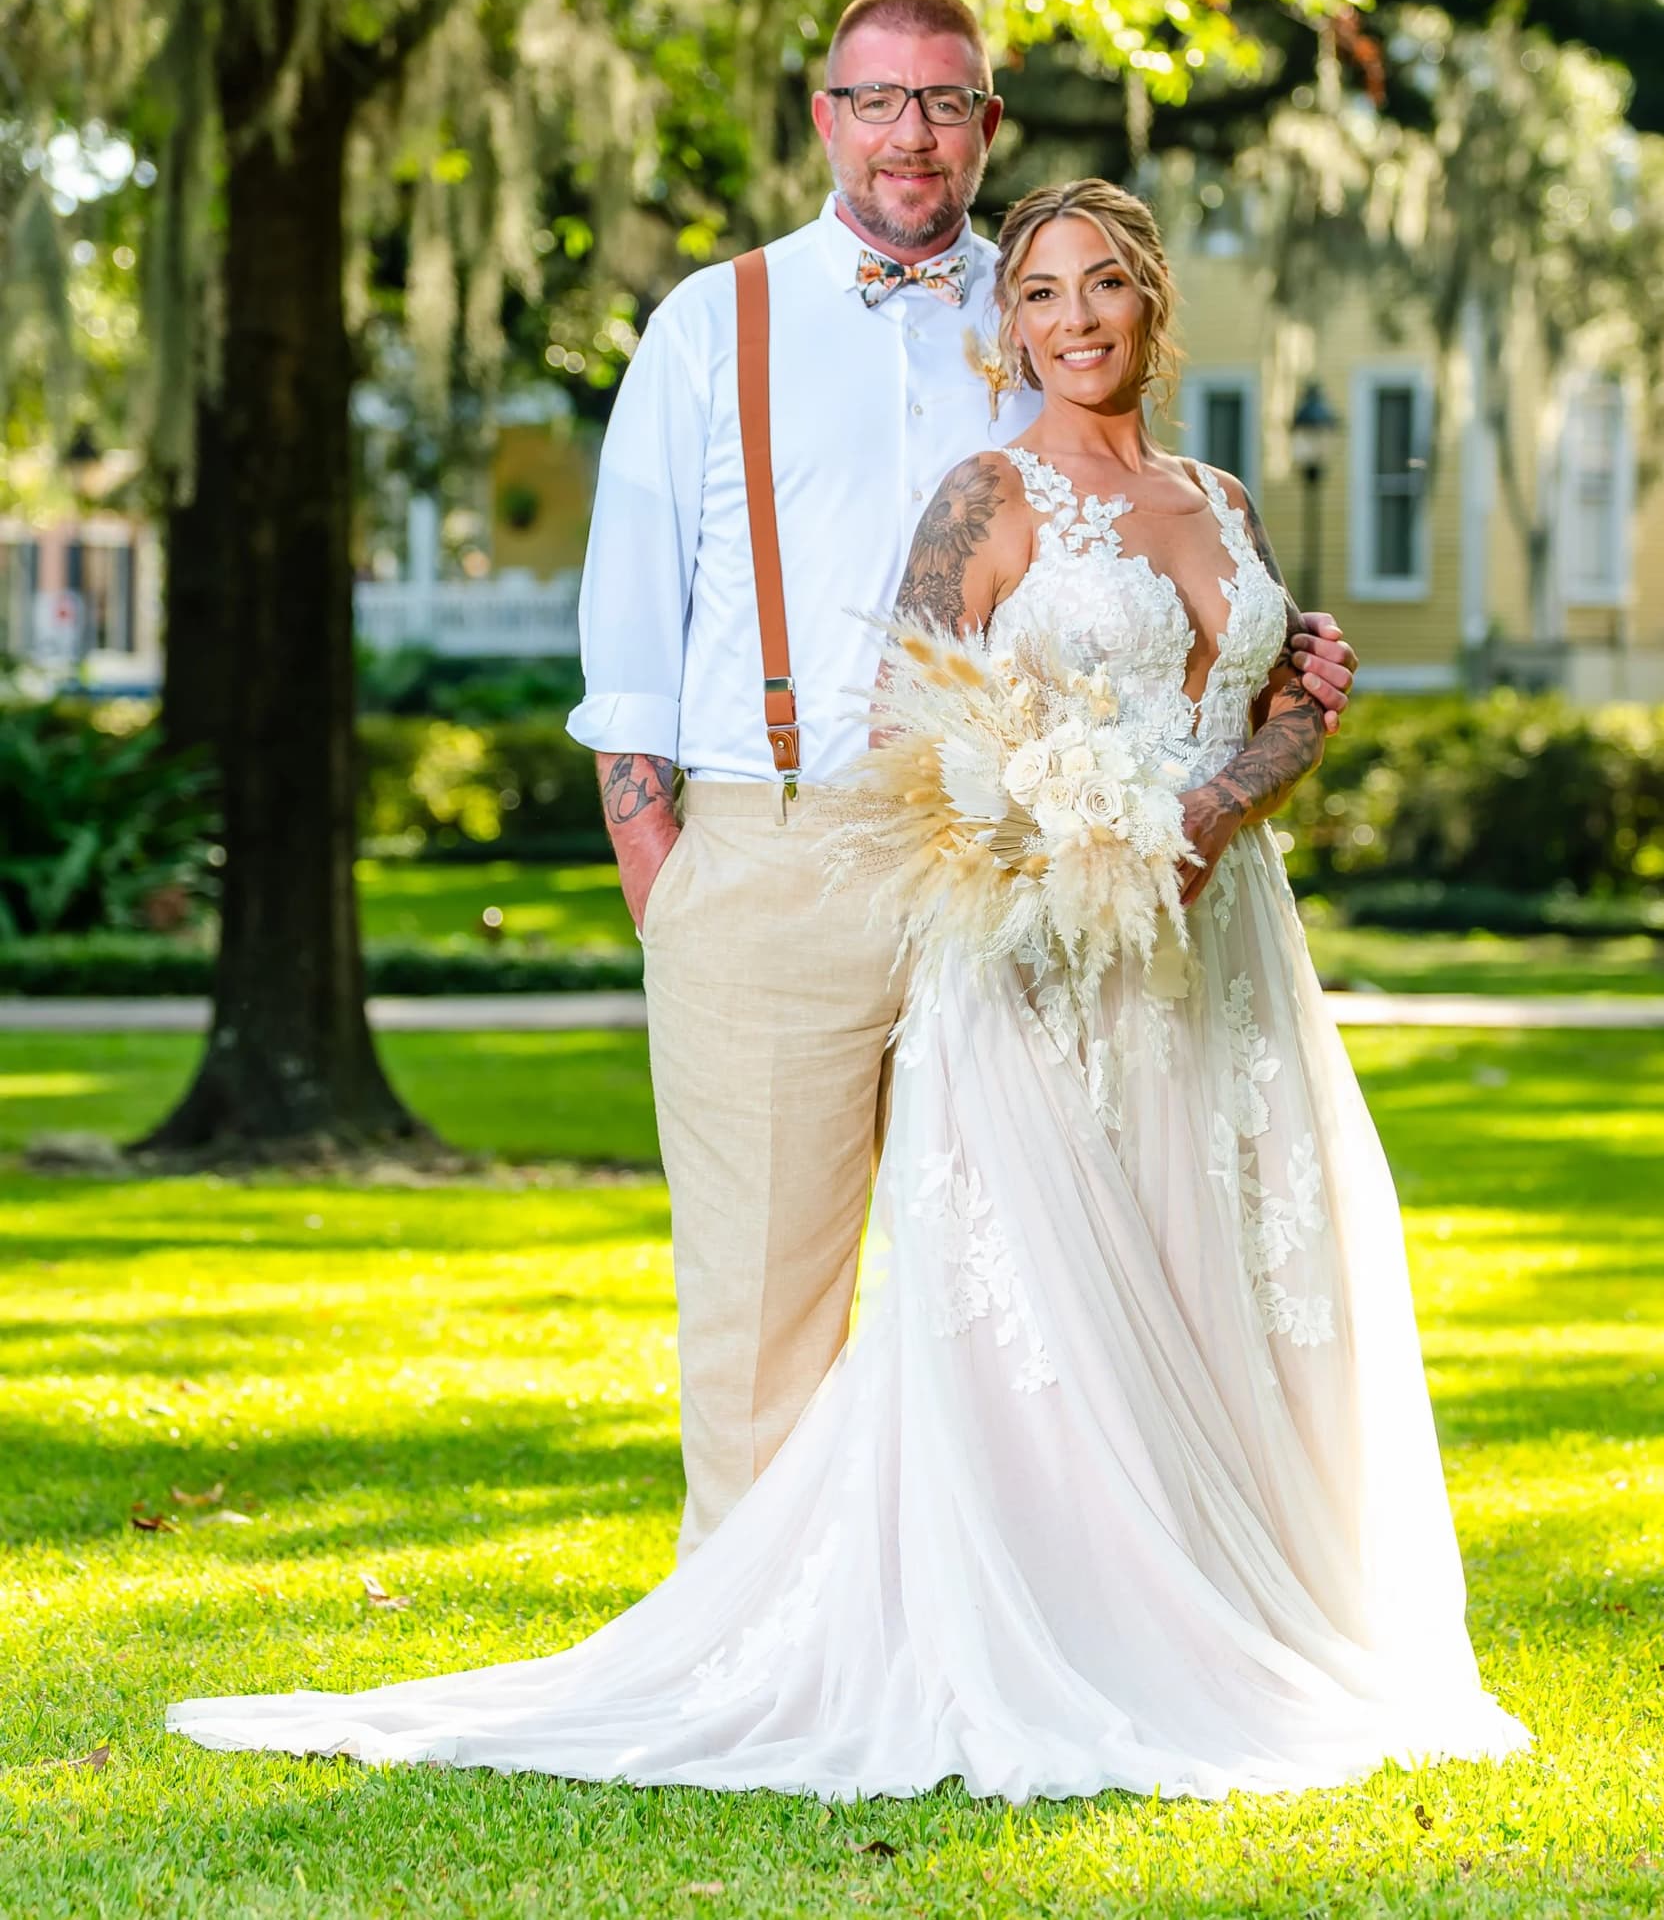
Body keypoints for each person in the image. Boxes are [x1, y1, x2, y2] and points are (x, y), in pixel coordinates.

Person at [168, 176, 1525, 1799]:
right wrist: (1067, 830)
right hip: (1035, 959)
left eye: (1102, 286)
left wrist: (1222, 802)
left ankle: (1245, 1611)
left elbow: (1287, 704)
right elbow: (907, 729)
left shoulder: (1221, 497)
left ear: (1153, 301)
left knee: (1224, 1283)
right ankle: (1065, 1629)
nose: (1072, 319)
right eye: (1038, 294)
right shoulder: (982, 492)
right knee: (1050, 1319)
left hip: (1221, 959)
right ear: (1010, 322)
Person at [553, 0, 1351, 1557]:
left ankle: (1034, 1616)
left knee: (1052, 1288)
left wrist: (1282, 651)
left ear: (989, 122)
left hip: (1049, 882)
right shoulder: (715, 323)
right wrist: (673, 884)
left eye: (942, 101)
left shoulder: (1050, 298)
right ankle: (762, 1653)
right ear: (823, 115)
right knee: (766, 1303)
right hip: (776, 852)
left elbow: (1142, 546)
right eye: (876, 99)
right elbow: (630, 632)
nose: (908, 133)